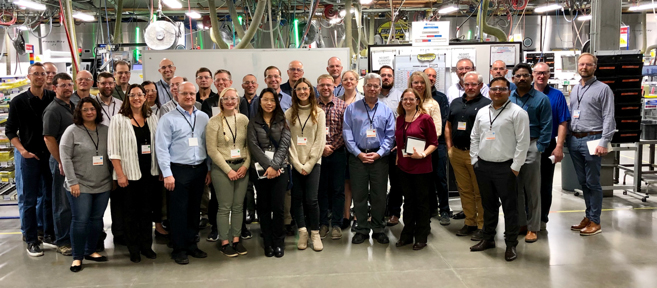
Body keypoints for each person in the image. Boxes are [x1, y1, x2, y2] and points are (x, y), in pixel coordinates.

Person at [469, 77, 529, 262]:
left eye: (501, 89)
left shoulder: (518, 113)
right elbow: (475, 137)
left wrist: (515, 167)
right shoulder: (482, 112)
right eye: (494, 88)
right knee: (489, 206)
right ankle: (488, 238)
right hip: (484, 165)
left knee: (510, 208)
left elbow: (523, 142)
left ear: (508, 91)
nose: (497, 92)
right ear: (489, 91)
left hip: (506, 168)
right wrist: (474, 160)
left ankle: (511, 244)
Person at [156, 82, 211, 265]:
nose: (189, 97)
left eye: (192, 94)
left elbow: (207, 145)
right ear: (177, 95)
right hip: (178, 170)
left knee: (195, 210)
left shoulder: (203, 117)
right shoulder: (168, 118)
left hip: (199, 169)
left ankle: (191, 244)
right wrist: (167, 173)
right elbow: (162, 148)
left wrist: (208, 169)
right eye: (185, 94)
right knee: (178, 211)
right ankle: (178, 249)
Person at [6, 62, 55, 256]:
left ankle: (49, 235)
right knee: (29, 199)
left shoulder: (52, 97)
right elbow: (10, 131)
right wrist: (23, 151)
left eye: (43, 74)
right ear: (29, 76)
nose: (40, 77)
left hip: (49, 156)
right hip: (29, 157)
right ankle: (32, 240)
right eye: (36, 74)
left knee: (49, 197)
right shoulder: (18, 101)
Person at [108, 84, 160, 263]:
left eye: (140, 95)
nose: (137, 98)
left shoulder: (151, 117)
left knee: (146, 212)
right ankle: (134, 249)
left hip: (149, 173)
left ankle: (146, 246)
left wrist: (159, 169)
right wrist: (120, 175)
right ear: (127, 98)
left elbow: (157, 145)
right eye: (132, 95)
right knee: (130, 214)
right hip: (128, 175)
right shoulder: (118, 120)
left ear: (145, 97)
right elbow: (113, 151)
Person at [59, 98, 112, 272]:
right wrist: (72, 181)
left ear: (97, 111)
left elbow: (112, 154)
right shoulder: (72, 131)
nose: (89, 112)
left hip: (103, 184)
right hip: (80, 185)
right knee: (80, 221)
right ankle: (77, 257)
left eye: (92, 109)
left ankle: (90, 251)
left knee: (96, 220)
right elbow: (65, 157)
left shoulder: (105, 130)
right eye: (85, 110)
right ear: (79, 113)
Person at [343, 73, 395, 245]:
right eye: (369, 85)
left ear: (380, 88)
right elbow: (347, 133)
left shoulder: (386, 110)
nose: (372, 89)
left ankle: (379, 228)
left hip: (379, 158)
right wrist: (358, 153)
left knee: (379, 195)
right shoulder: (352, 109)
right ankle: (362, 229)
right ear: (363, 88)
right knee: (359, 195)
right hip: (357, 158)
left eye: (375, 86)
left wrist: (379, 153)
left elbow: (390, 135)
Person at [568, 53, 615, 236]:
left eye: (588, 64)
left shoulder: (603, 89)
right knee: (583, 182)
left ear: (595, 67)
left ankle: (595, 221)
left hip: (593, 139)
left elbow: (609, 117)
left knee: (593, 182)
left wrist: (604, 141)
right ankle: (588, 216)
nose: (584, 67)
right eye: (581, 64)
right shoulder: (575, 89)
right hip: (575, 139)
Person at [445, 72, 490, 241]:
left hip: (476, 154)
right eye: (467, 84)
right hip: (457, 152)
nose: (470, 88)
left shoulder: (487, 104)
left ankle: (481, 225)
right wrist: (450, 147)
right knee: (464, 190)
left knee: (479, 191)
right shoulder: (455, 103)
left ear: (480, 85)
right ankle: (469, 222)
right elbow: (448, 125)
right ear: (462, 85)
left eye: (474, 85)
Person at [510, 63, 553, 242]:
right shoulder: (508, 97)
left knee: (532, 189)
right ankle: (521, 223)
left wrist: (539, 148)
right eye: (518, 76)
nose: (522, 78)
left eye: (525, 75)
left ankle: (533, 227)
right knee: (516, 188)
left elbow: (547, 126)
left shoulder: (541, 99)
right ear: (513, 79)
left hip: (532, 145)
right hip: (512, 147)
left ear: (531, 77)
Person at [206, 87, 251, 257]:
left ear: (238, 101)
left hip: (241, 167)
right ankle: (225, 242)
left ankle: (236, 239)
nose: (230, 101)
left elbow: (249, 145)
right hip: (222, 169)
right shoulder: (214, 122)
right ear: (221, 101)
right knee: (225, 207)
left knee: (238, 206)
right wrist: (227, 170)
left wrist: (246, 165)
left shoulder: (244, 119)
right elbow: (212, 150)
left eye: (233, 98)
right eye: (226, 99)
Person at [247, 88, 291, 258]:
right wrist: (268, 167)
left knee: (279, 207)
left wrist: (275, 166)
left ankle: (278, 242)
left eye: (272, 100)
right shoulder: (253, 122)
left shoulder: (283, 120)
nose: (269, 103)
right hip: (260, 171)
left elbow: (284, 144)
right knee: (263, 207)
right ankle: (267, 243)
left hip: (281, 169)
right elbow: (253, 146)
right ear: (260, 102)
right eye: (265, 99)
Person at [394, 88, 438, 250]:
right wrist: (398, 161)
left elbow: (434, 142)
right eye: (405, 99)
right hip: (403, 167)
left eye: (411, 99)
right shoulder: (400, 119)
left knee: (421, 202)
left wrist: (424, 154)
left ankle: (421, 235)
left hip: (421, 167)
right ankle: (407, 233)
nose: (408, 102)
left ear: (418, 101)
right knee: (409, 202)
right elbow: (399, 142)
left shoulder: (425, 119)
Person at [286, 78, 326, 251]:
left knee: (311, 200)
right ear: (295, 92)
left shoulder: (319, 112)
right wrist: (296, 163)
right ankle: (302, 231)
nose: (302, 91)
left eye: (305, 88)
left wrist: (309, 163)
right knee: (297, 199)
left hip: (313, 162)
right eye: (299, 89)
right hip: (294, 163)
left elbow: (320, 140)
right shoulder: (288, 114)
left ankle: (315, 233)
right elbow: (288, 141)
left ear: (310, 91)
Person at [533, 62, 570, 230]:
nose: (541, 76)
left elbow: (563, 122)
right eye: (538, 73)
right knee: (526, 184)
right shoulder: (525, 94)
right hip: (528, 144)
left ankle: (542, 219)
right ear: (533, 74)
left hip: (548, 144)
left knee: (545, 184)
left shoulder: (557, 96)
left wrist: (559, 146)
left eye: (545, 73)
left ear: (549, 75)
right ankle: (528, 218)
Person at [43, 72, 76, 256]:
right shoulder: (53, 110)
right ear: (54, 88)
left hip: (74, 162)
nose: (67, 88)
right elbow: (49, 138)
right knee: (62, 203)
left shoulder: (73, 106)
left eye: (69, 85)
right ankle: (63, 241)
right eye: (63, 85)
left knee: (74, 203)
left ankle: (73, 237)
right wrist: (61, 161)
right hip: (61, 163)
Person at [316, 74, 348, 240]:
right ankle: (323, 223)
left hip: (338, 154)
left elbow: (346, 131)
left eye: (328, 85)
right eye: (322, 85)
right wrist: (321, 148)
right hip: (318, 155)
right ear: (317, 87)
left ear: (334, 87)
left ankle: (336, 224)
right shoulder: (312, 106)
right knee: (321, 190)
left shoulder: (343, 106)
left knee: (338, 190)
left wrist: (331, 147)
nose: (325, 88)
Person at [423, 67, 451, 225]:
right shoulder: (415, 97)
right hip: (419, 145)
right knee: (425, 178)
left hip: (437, 143)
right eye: (428, 76)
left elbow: (444, 121)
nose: (431, 78)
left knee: (440, 178)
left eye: (433, 76)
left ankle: (445, 210)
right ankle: (431, 208)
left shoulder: (441, 98)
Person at [378, 65, 404, 226]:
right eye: (383, 75)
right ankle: (379, 213)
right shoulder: (372, 96)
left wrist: (400, 143)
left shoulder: (401, 96)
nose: (386, 78)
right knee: (378, 183)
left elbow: (405, 120)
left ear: (393, 78)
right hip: (377, 146)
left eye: (389, 75)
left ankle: (394, 212)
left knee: (396, 183)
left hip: (395, 146)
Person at [338, 70, 363, 229]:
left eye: (351, 79)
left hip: (359, 147)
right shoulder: (337, 100)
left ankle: (358, 215)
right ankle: (345, 215)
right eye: (345, 79)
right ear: (341, 82)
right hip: (341, 147)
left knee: (359, 183)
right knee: (346, 182)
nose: (348, 82)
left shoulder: (363, 99)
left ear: (356, 81)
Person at [142, 80, 167, 237]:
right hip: (141, 159)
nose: (150, 93)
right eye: (146, 90)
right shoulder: (135, 111)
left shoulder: (161, 110)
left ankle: (158, 225)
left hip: (157, 159)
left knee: (158, 197)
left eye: (153, 90)